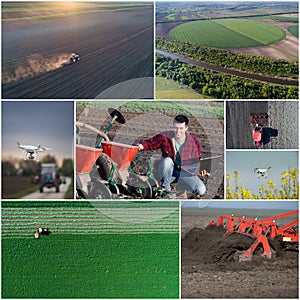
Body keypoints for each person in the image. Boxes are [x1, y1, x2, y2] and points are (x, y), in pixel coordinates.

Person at [138, 115, 209, 198]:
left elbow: (196, 161)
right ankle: (166, 189)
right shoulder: (165, 137)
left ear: (186, 128)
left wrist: (199, 171)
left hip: (184, 173)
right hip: (167, 171)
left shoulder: (194, 142)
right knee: (167, 161)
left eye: (181, 128)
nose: (178, 131)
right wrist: (142, 145)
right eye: (176, 128)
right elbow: (150, 143)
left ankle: (181, 186)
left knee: (201, 189)